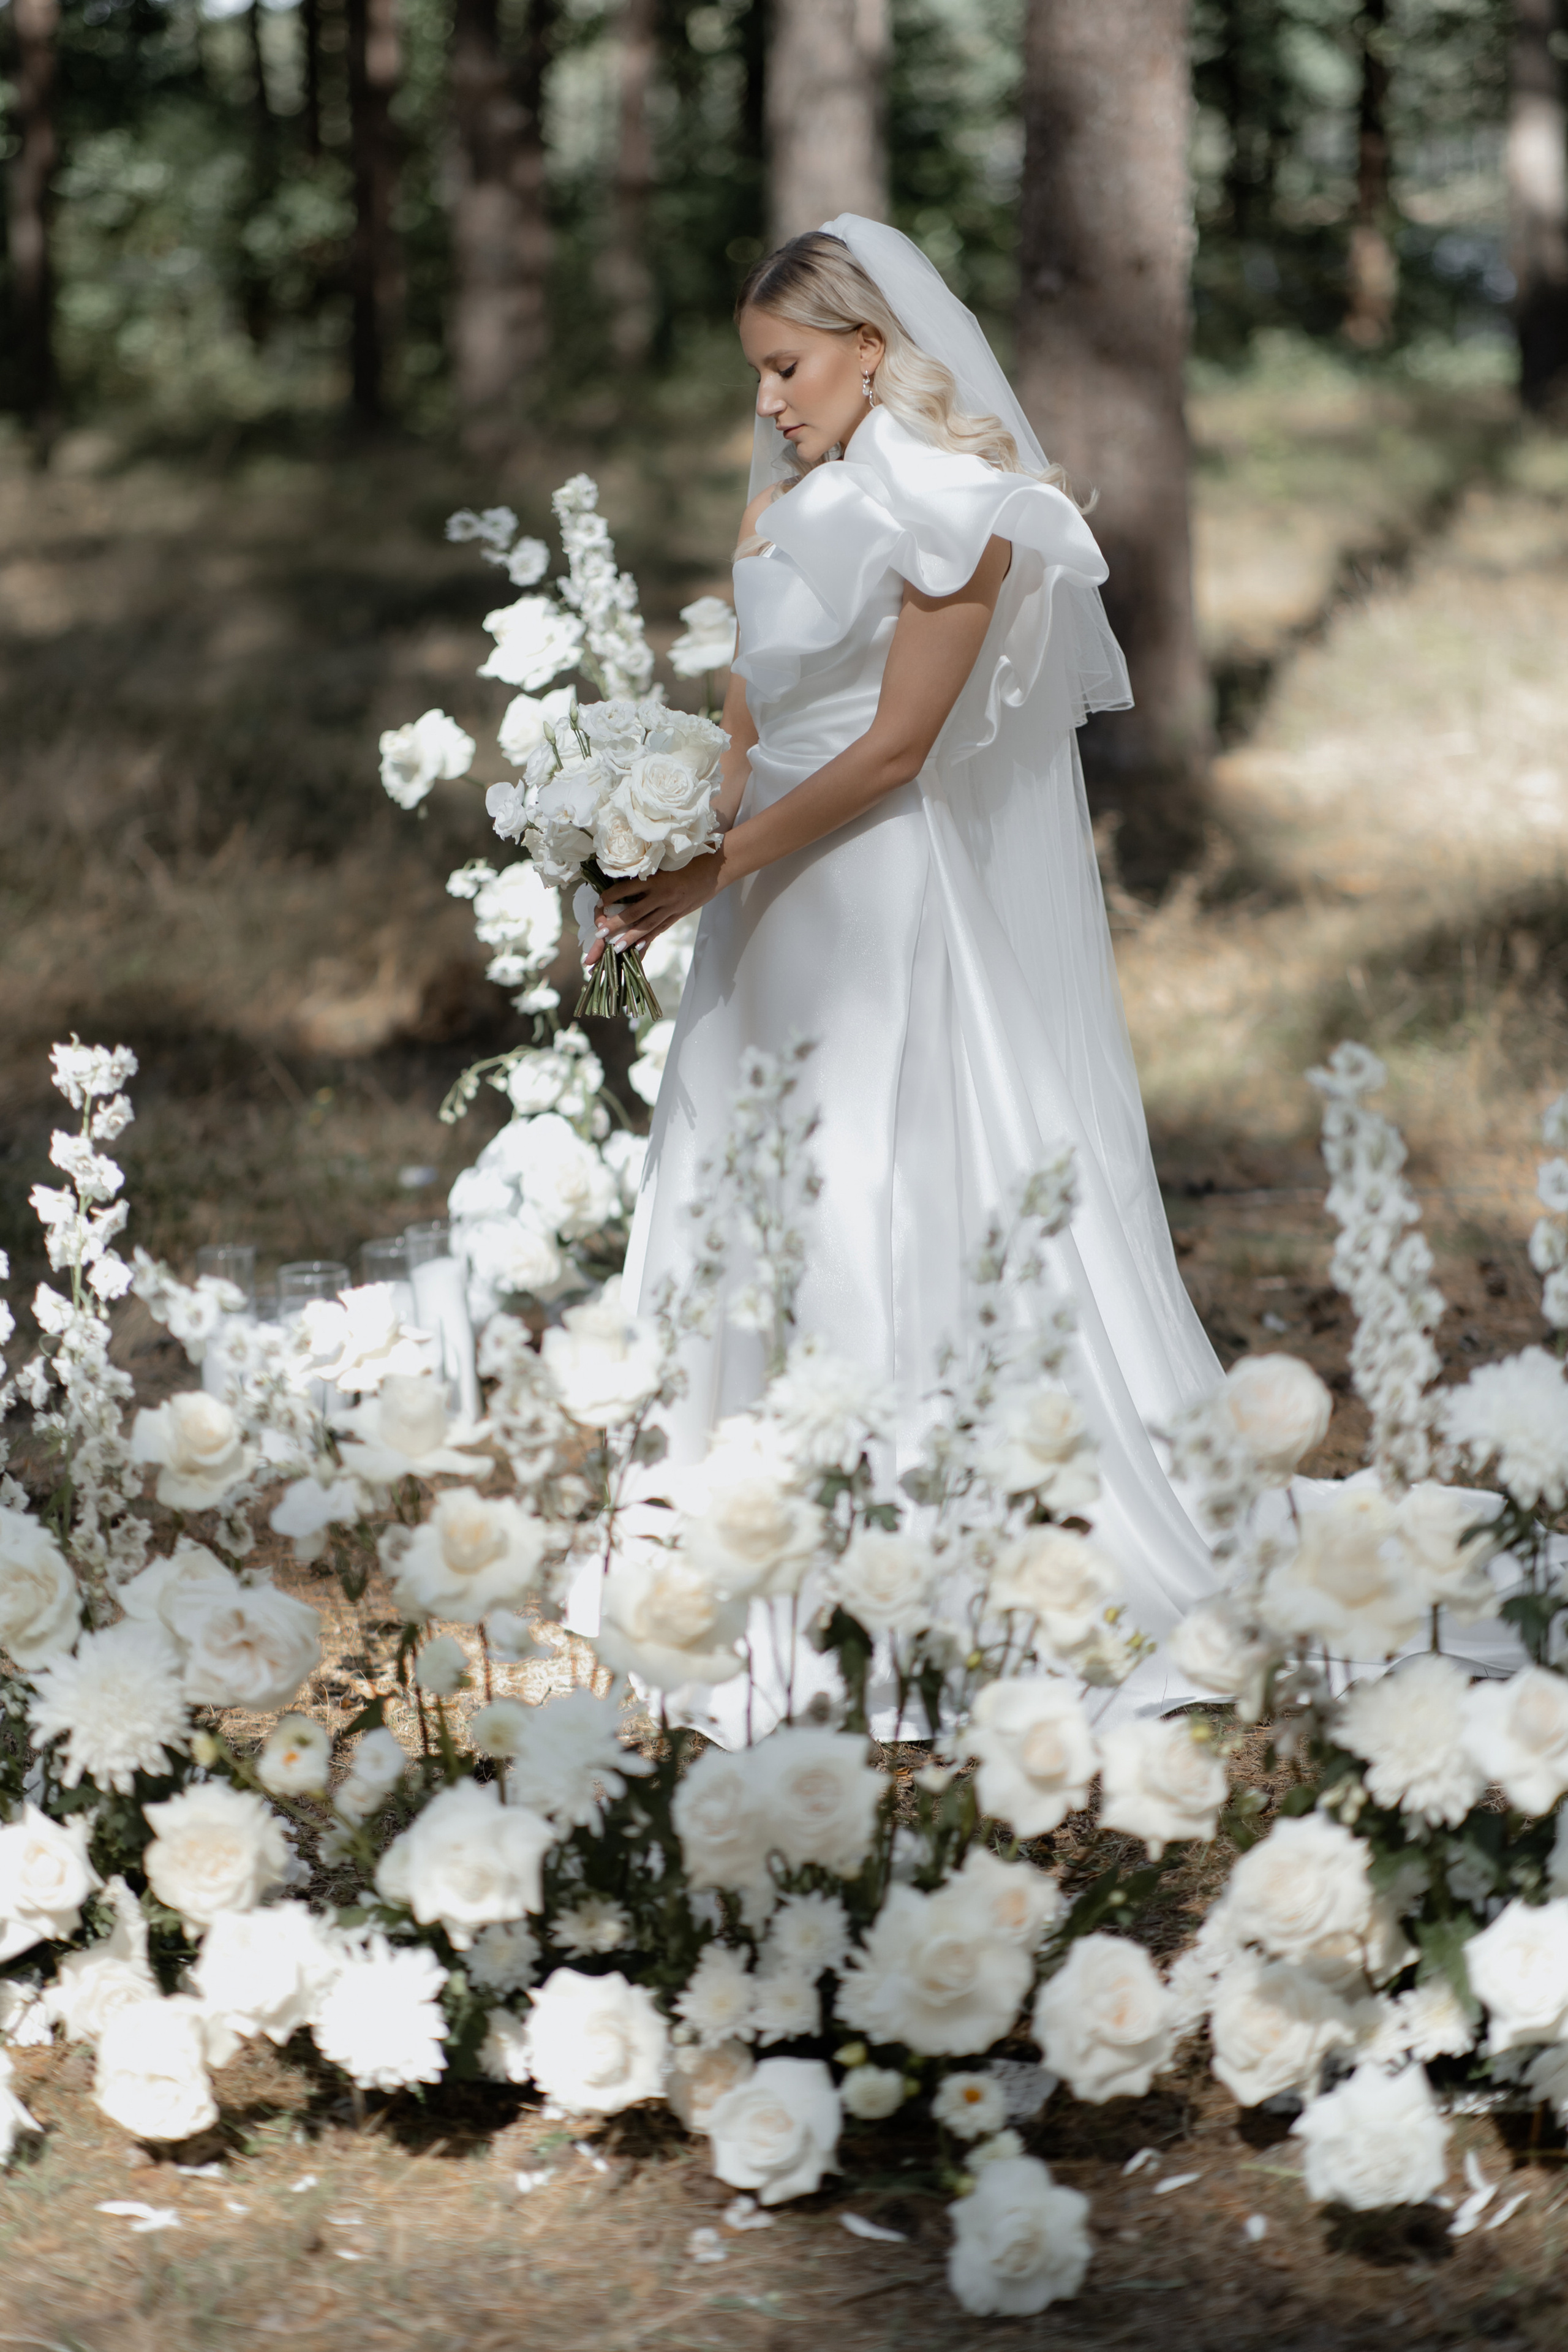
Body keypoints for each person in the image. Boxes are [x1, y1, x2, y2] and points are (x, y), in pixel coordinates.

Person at [595, 216, 1223, 1685]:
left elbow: (890, 755)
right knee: (744, 1184)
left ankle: (912, 1550)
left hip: (869, 888)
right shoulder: (773, 514)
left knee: (875, 1178)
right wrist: (642, 844)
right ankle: (751, 1541)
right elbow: (747, 729)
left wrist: (714, 868)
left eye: (788, 365)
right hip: (754, 904)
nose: (769, 400)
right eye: (756, 373)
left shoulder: (966, 512)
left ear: (870, 348)